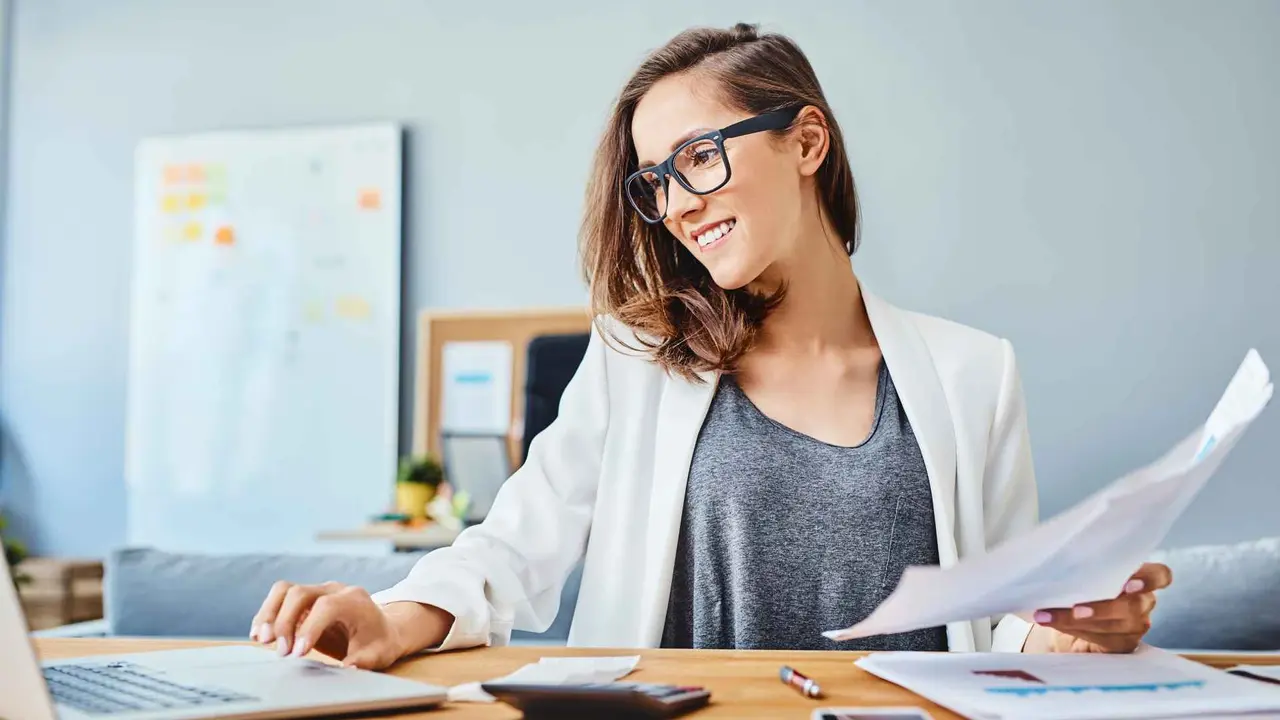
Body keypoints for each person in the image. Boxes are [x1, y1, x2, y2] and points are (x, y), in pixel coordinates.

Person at [250, 23, 1171, 669]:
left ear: (806, 139)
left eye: (700, 156)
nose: (679, 204)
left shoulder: (975, 372)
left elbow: (1003, 614)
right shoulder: (637, 356)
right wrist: (395, 617)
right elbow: (513, 548)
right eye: (656, 181)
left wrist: (1073, 629)